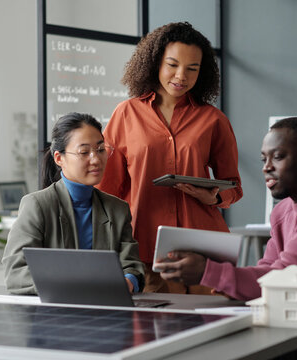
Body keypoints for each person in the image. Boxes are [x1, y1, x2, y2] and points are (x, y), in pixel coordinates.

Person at [155, 117, 297, 359]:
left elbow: (285, 281)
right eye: (263, 159)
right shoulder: (284, 210)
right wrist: (224, 282)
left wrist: (208, 272)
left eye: (277, 157)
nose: (266, 167)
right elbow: (270, 270)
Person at [97, 22, 243, 294]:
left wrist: (213, 197)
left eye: (192, 68)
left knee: (209, 332)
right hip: (145, 249)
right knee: (151, 333)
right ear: (156, 63)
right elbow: (106, 189)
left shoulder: (214, 120)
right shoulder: (125, 114)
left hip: (203, 251)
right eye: (172, 64)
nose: (181, 75)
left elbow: (233, 185)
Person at [2, 112, 144, 295]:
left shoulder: (117, 209)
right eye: (84, 152)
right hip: (52, 315)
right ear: (59, 158)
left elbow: (132, 266)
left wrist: (128, 282)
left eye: (101, 150)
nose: (95, 159)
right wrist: (82, 286)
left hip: (108, 312)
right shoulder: (37, 205)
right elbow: (16, 273)